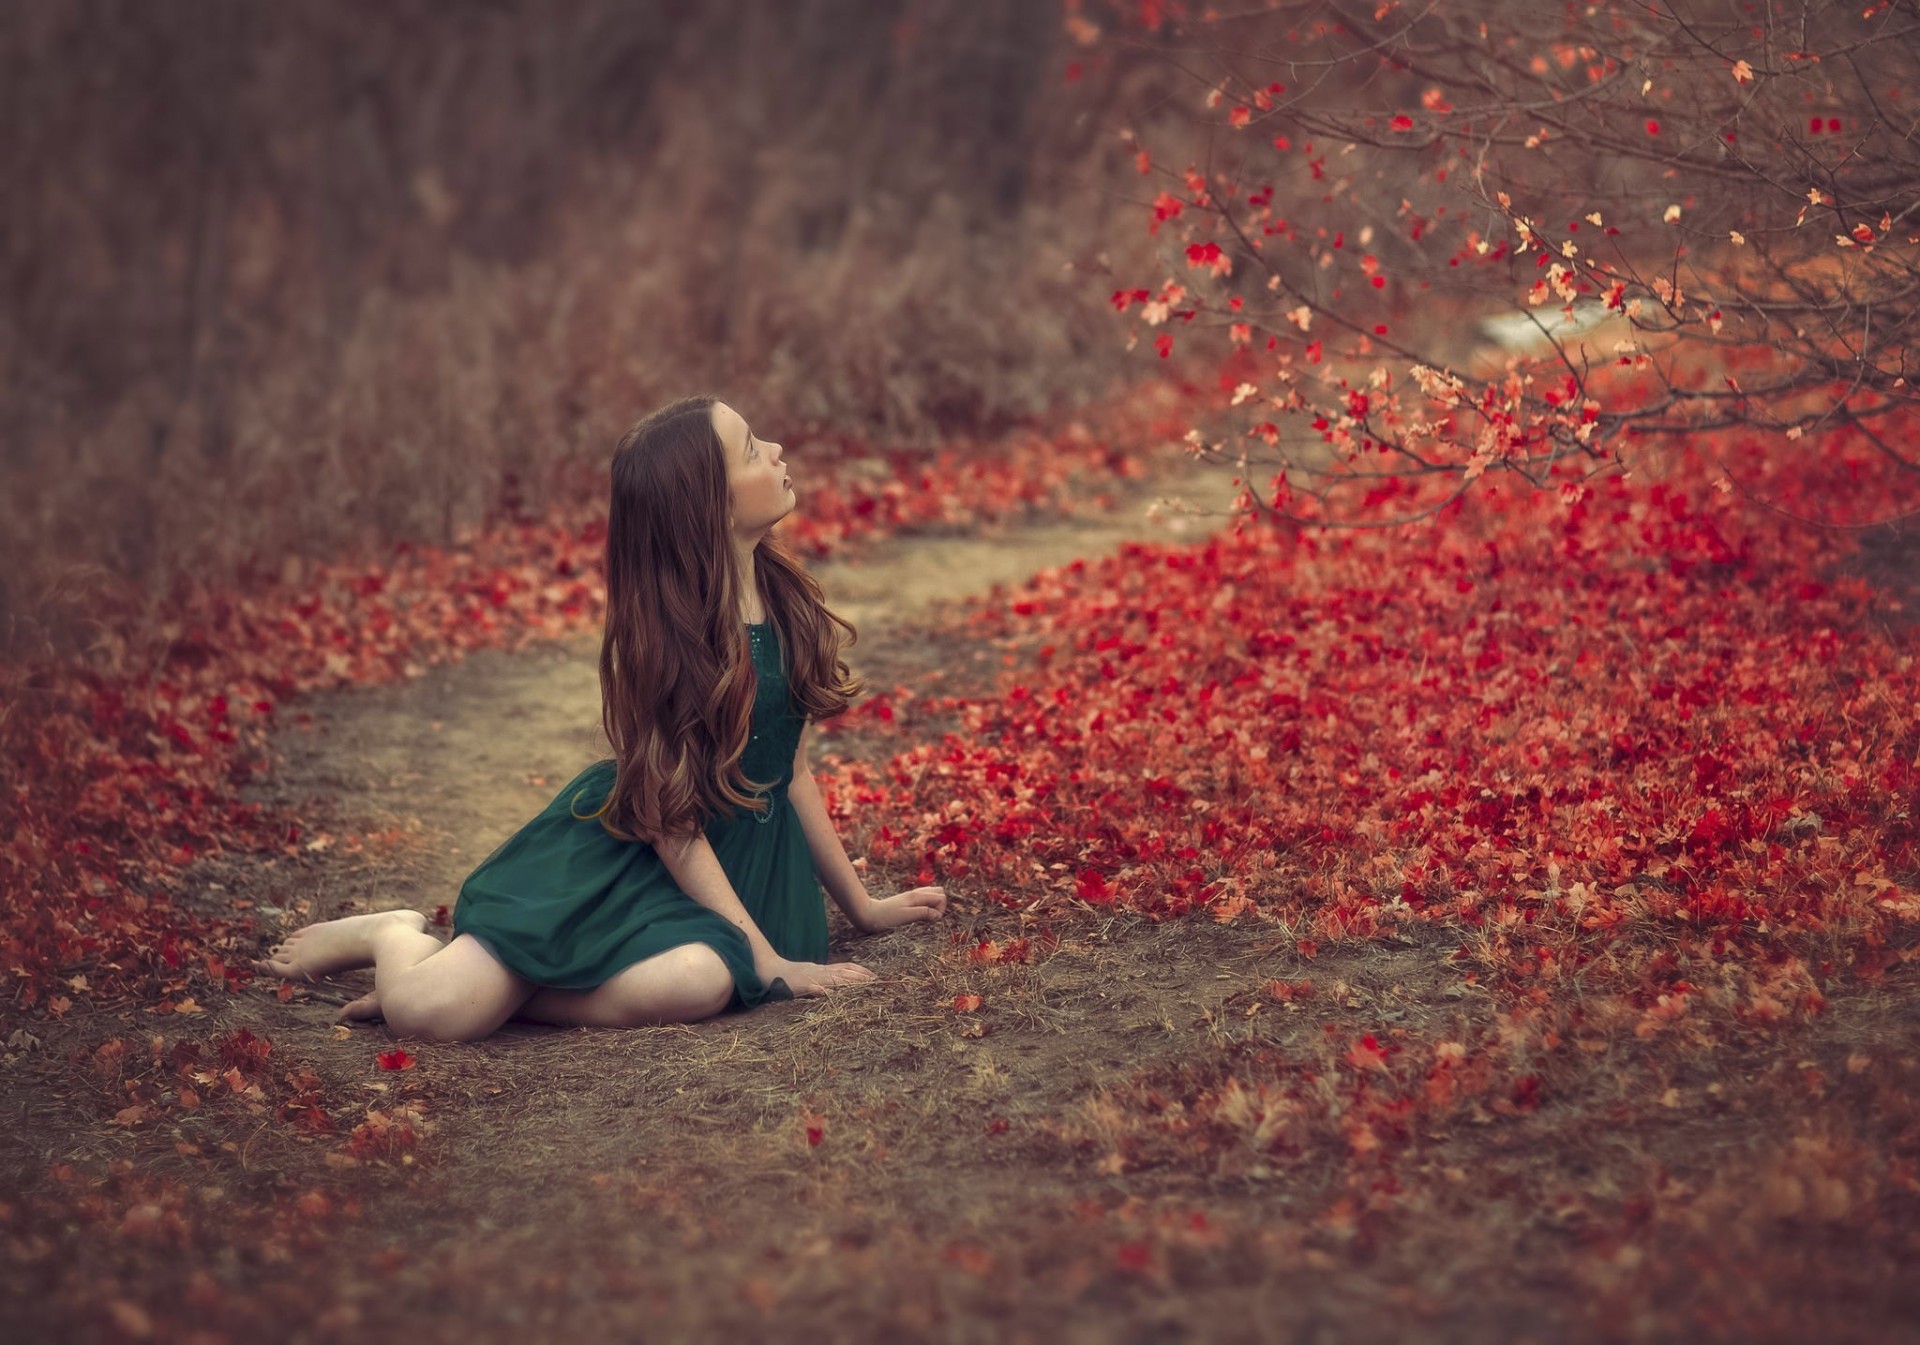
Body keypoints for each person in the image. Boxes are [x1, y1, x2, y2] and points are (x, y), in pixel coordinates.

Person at [250, 396, 948, 1041]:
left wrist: (863, 907)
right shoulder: (671, 643)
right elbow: (673, 830)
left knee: (704, 978)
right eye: (750, 450)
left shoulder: (784, 598)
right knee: (423, 1014)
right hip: (632, 856)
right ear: (706, 506)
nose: (776, 448)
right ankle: (394, 934)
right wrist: (769, 964)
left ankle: (495, 988)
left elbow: (789, 772)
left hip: (747, 878)